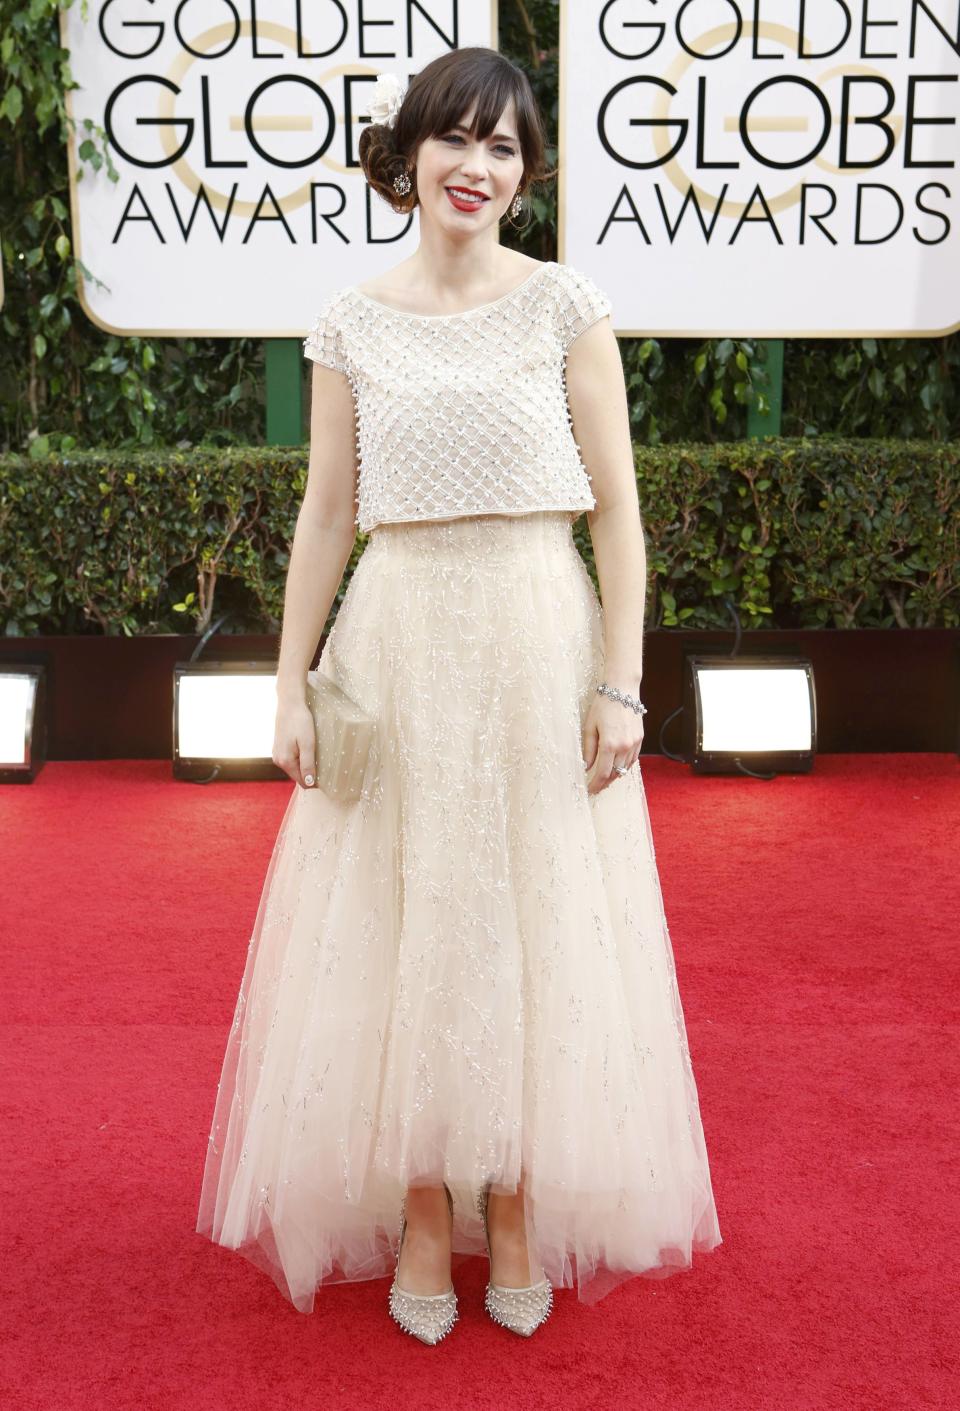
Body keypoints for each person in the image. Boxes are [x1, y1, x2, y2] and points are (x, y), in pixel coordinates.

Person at [195, 46, 721, 1345]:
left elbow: (624, 523)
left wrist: (620, 687)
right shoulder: (351, 321)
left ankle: (521, 1197)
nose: (476, 167)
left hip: (539, 636)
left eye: (503, 149)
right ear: (409, 154)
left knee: (534, 916)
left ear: (526, 176)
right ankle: (428, 1203)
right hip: (401, 639)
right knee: (409, 920)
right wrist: (292, 685)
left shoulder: (563, 307)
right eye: (457, 140)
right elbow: (325, 517)